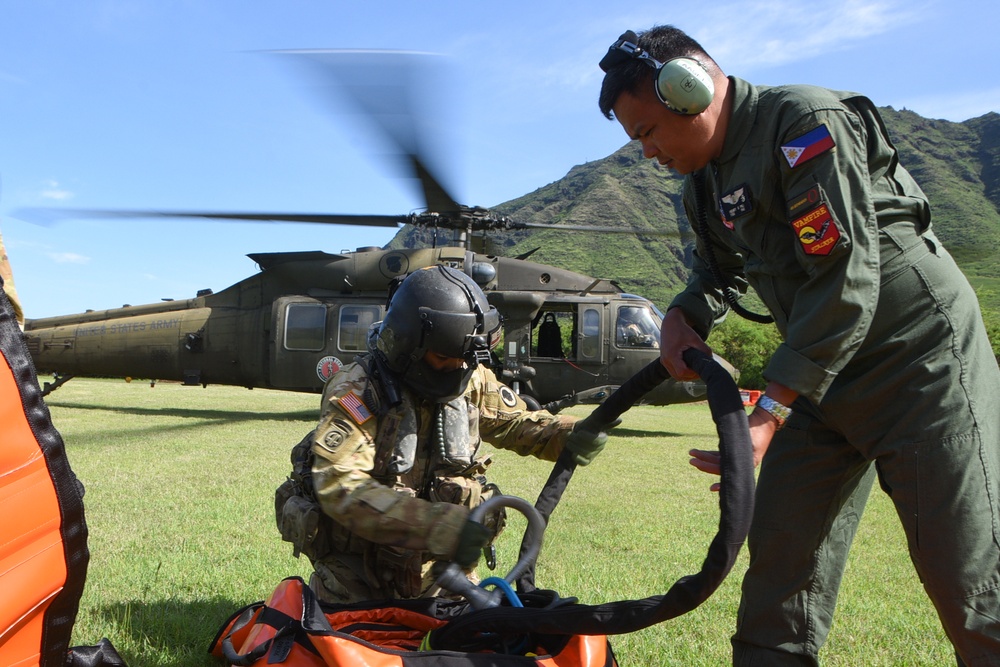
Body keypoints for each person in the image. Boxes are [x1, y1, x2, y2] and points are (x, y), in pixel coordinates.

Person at [598, 25, 1000, 666]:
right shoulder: (706, 183)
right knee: (781, 559)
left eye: (646, 132)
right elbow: (719, 272)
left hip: (917, 363)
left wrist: (771, 410)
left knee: (969, 580)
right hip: (820, 376)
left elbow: (844, 278)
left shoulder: (803, 123)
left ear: (689, 88)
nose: (646, 153)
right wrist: (682, 313)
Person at [275, 265, 614, 604]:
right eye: (444, 357)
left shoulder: (470, 374)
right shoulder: (357, 389)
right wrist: (436, 525)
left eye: (464, 359)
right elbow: (341, 486)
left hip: (445, 573)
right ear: (408, 345)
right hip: (359, 574)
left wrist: (566, 433)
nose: (457, 368)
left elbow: (512, 422)